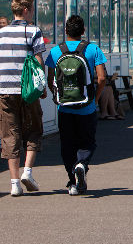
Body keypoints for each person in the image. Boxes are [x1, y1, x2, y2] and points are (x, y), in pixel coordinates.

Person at [45, 14, 108, 196]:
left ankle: (73, 182)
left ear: (65, 31)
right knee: (87, 141)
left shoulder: (56, 51)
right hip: (86, 106)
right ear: (83, 31)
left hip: (65, 107)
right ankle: (82, 164)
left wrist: (57, 97)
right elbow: (102, 78)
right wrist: (95, 99)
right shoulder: (93, 49)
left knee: (67, 144)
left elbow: (51, 80)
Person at [0, 0, 46, 197]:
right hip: (28, 91)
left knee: (9, 134)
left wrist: (2, 84)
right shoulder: (33, 31)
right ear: (25, 10)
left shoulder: (0, 33)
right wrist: (42, 88)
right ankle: (28, 172)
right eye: (31, 9)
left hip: (6, 91)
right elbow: (39, 62)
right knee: (33, 129)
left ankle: (14, 183)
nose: (32, 12)